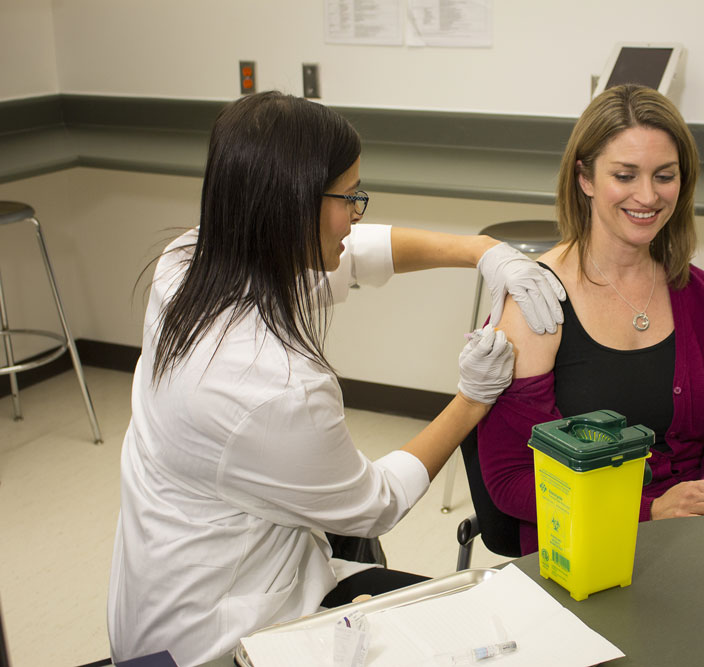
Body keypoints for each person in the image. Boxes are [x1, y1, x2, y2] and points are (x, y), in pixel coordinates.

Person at [107, 91, 564, 666]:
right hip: (218, 640)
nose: (357, 213)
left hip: (167, 584)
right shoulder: (272, 389)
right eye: (348, 197)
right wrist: (472, 400)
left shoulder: (192, 258)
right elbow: (374, 504)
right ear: (288, 206)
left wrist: (482, 251)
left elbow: (362, 251)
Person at [478, 84, 704, 555]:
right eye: (625, 175)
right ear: (585, 178)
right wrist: (650, 508)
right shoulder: (536, 305)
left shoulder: (702, 294)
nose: (648, 196)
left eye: (664, 176)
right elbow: (511, 479)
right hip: (587, 541)